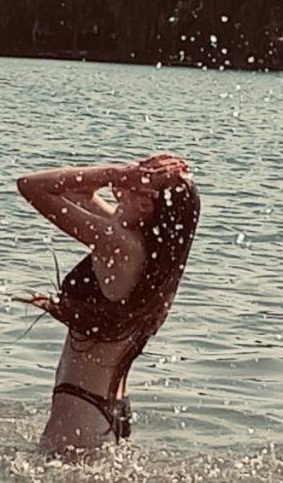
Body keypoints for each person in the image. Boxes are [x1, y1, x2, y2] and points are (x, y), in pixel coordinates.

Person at [15, 154, 200, 459]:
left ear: (145, 204)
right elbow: (77, 192)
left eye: (142, 174)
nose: (132, 171)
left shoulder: (119, 244)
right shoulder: (139, 247)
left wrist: (114, 173)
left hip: (82, 409)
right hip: (106, 408)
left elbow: (31, 186)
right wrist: (120, 178)